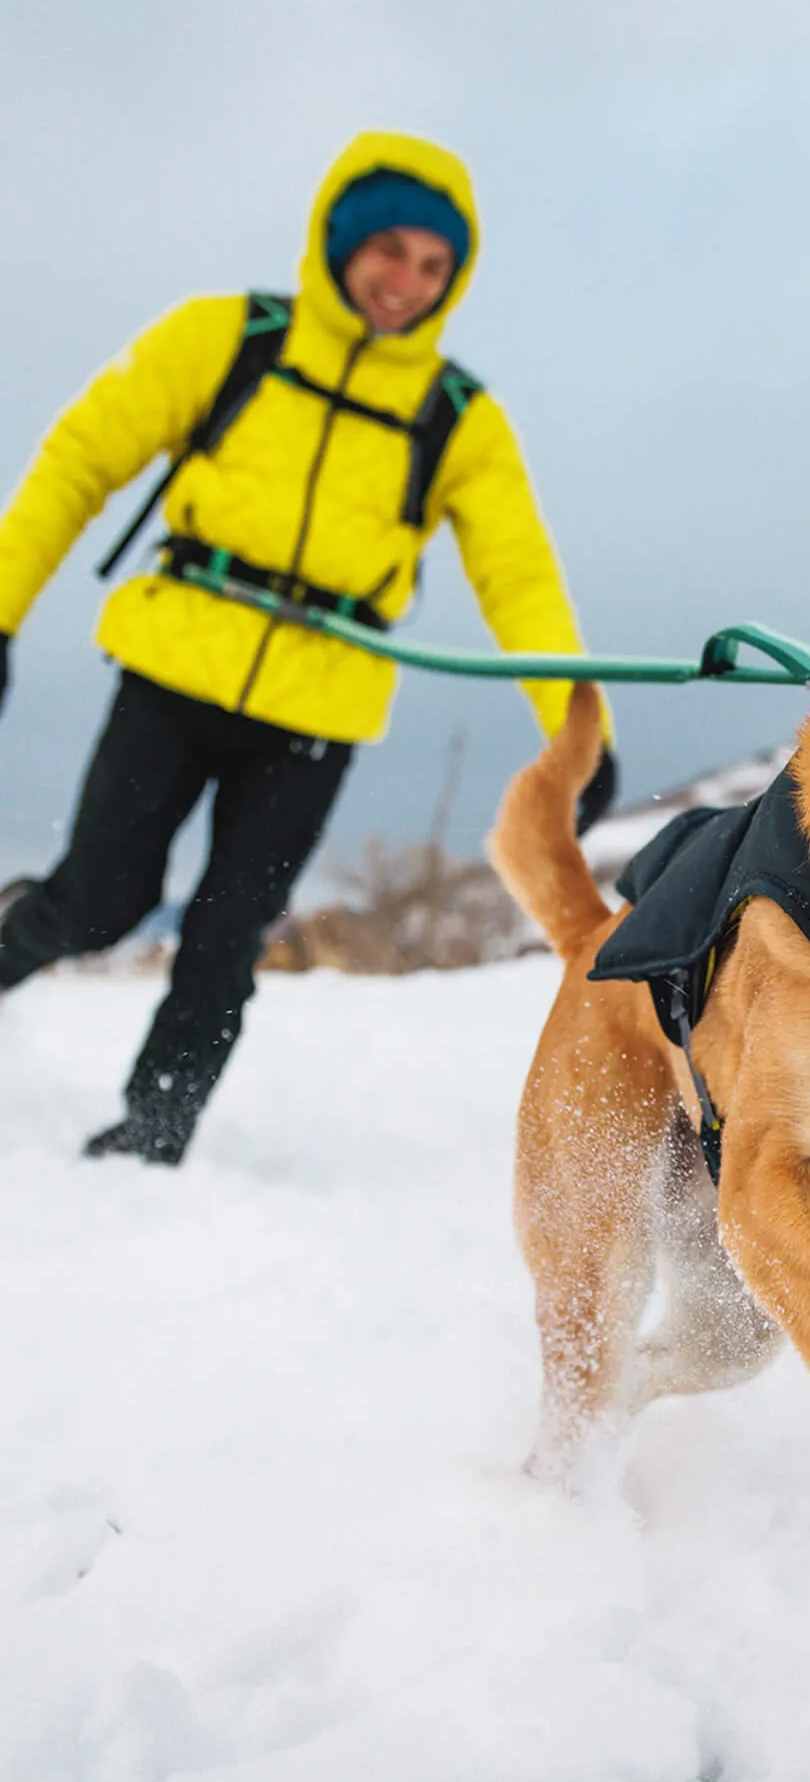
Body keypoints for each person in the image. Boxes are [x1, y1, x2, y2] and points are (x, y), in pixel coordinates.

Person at [0, 130, 615, 1165]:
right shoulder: (228, 339)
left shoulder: (455, 416)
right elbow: (76, 464)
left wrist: (573, 732)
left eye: (434, 266)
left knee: (228, 930)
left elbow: (519, 577)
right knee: (101, 897)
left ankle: (156, 1127)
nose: (406, 282)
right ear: (339, 242)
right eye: (390, 251)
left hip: (314, 714)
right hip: (173, 668)